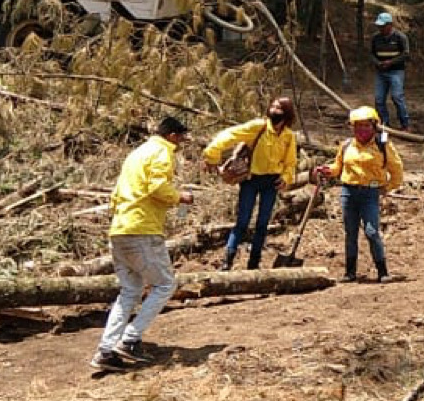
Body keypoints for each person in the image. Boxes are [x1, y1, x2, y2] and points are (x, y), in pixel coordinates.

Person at [93, 116, 194, 371]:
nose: (181, 143)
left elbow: (116, 195)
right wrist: (179, 196)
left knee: (129, 291)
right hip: (142, 230)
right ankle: (129, 339)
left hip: (120, 229)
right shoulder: (162, 151)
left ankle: (106, 350)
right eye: (181, 137)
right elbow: (157, 187)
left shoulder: (136, 154)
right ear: (172, 135)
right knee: (165, 285)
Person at [202, 96, 300, 271]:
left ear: (287, 114)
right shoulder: (258, 127)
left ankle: (254, 263)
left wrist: (285, 178)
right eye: (273, 107)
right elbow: (229, 135)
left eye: (279, 108)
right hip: (251, 180)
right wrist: (212, 154)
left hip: (272, 183)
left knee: (262, 224)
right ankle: (228, 261)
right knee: (242, 222)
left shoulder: (288, 136)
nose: (274, 111)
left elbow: (291, 162)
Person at [312, 105, 404, 282]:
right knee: (350, 232)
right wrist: (327, 170)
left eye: (365, 126)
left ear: (374, 126)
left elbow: (397, 169)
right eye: (357, 126)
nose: (361, 130)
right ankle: (350, 272)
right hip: (348, 192)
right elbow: (337, 167)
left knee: (371, 232)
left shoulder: (382, 145)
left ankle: (383, 271)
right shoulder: (346, 145)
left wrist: (388, 187)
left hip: (370, 193)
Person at [369, 12, 412, 130]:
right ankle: (384, 123)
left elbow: (406, 54)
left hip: (396, 71)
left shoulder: (400, 37)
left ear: (390, 25)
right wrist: (377, 63)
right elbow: (371, 54)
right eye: (379, 26)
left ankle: (405, 123)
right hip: (380, 71)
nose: (381, 29)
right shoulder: (375, 38)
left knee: (397, 96)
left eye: (383, 26)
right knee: (379, 99)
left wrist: (391, 62)